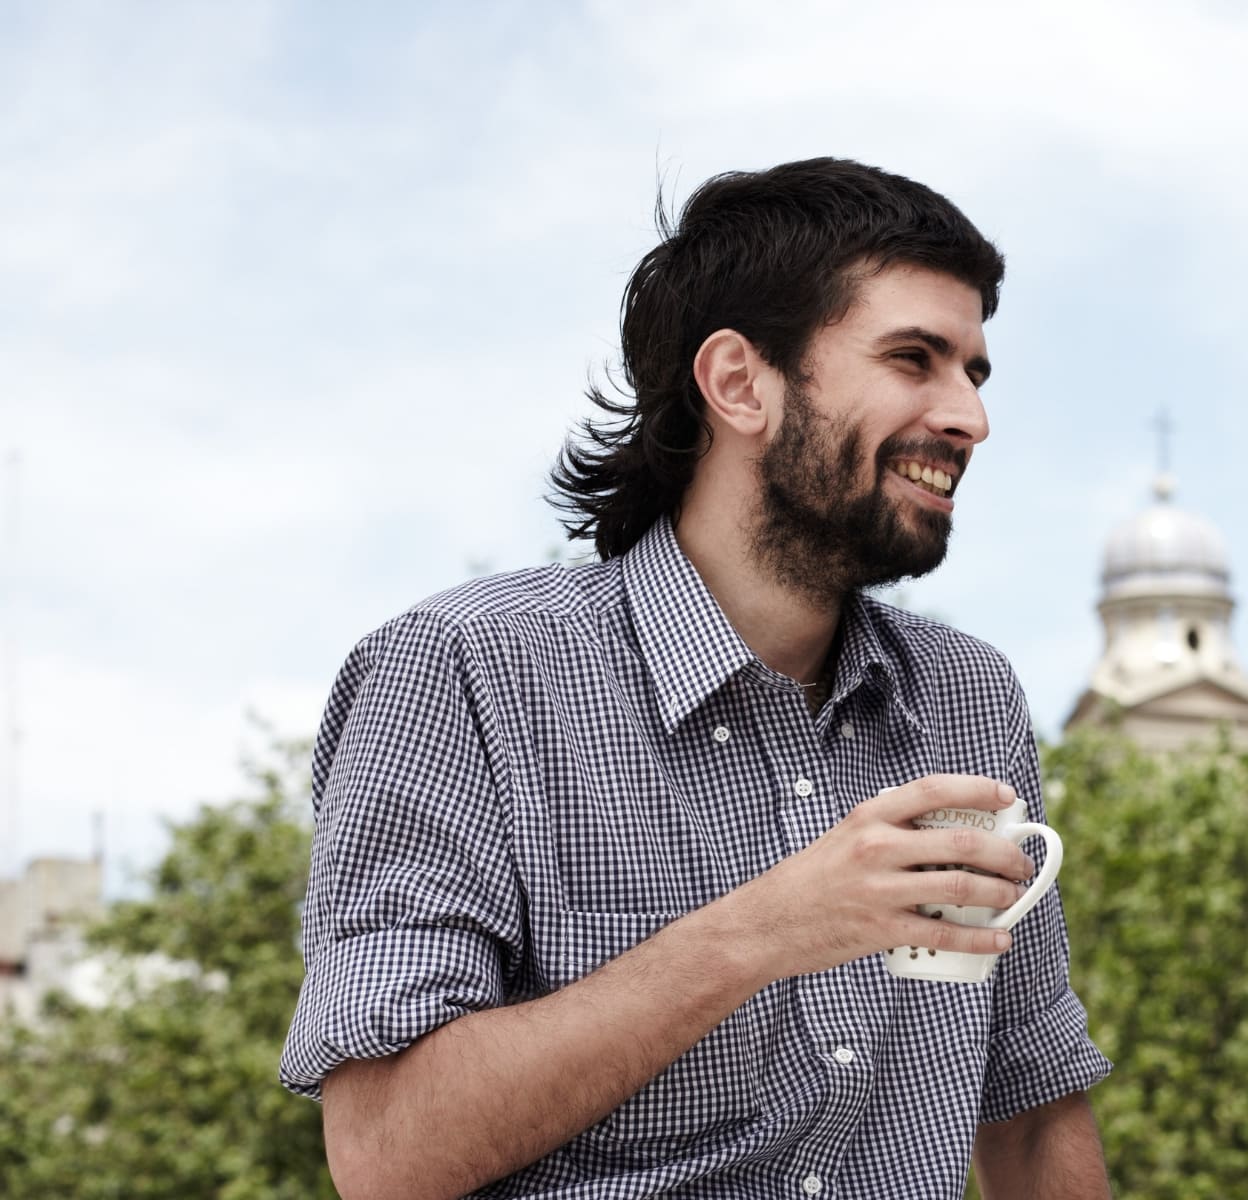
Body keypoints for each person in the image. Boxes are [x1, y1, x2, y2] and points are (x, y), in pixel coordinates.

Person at [280, 158, 1113, 1199]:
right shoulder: (461, 672)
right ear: (738, 384)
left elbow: (1031, 1111)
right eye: (915, 359)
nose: (968, 419)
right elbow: (386, 1155)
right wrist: (765, 931)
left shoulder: (970, 698)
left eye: (975, 374)